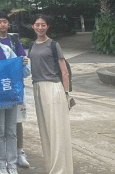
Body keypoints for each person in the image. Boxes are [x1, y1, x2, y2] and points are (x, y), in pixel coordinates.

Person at [0, 23, 30, 174]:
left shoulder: (7, 49)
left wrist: (23, 64)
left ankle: (12, 164)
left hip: (12, 96)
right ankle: (1, 164)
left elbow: (23, 73)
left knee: (11, 131)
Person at [29, 16, 73, 174]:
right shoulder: (32, 45)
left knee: (56, 131)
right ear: (33, 26)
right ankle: (51, 167)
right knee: (45, 131)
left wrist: (66, 94)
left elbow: (64, 71)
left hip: (53, 88)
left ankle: (60, 170)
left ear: (47, 27)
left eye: (43, 25)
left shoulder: (53, 44)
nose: (40, 27)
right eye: (37, 25)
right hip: (38, 88)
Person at [0, 13, 30, 169]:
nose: (2, 25)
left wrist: (24, 62)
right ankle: (0, 158)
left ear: (8, 24)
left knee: (17, 122)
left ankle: (19, 152)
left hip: (15, 88)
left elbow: (24, 62)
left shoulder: (14, 41)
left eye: (4, 22)